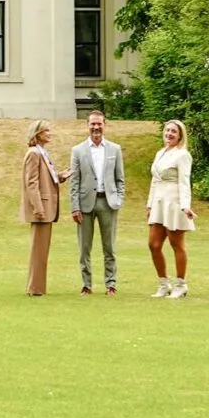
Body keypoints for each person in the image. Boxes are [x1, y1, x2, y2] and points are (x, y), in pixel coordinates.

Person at [68, 110, 125, 294]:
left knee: (109, 246)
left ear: (104, 125)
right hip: (85, 205)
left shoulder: (114, 149)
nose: (96, 127)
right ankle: (86, 284)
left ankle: (111, 284)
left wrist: (118, 199)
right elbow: (74, 181)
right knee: (84, 247)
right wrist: (74, 207)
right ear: (87, 126)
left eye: (99, 124)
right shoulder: (78, 150)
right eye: (92, 124)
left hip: (108, 203)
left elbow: (120, 179)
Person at [145, 119, 195, 297]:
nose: (169, 134)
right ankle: (164, 283)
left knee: (176, 243)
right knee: (154, 244)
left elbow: (184, 182)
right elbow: (154, 181)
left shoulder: (182, 155)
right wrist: (149, 204)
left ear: (180, 136)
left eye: (174, 131)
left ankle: (181, 284)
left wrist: (185, 206)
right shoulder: (160, 153)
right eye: (167, 130)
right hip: (158, 203)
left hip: (174, 204)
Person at [19, 119, 66, 297]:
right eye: (47, 131)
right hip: (42, 209)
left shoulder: (42, 153)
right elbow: (31, 183)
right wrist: (38, 207)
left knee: (41, 249)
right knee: (38, 250)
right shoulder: (33, 154)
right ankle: (35, 287)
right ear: (38, 134)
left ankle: (37, 286)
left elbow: (46, 178)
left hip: (47, 207)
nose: (50, 133)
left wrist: (61, 176)